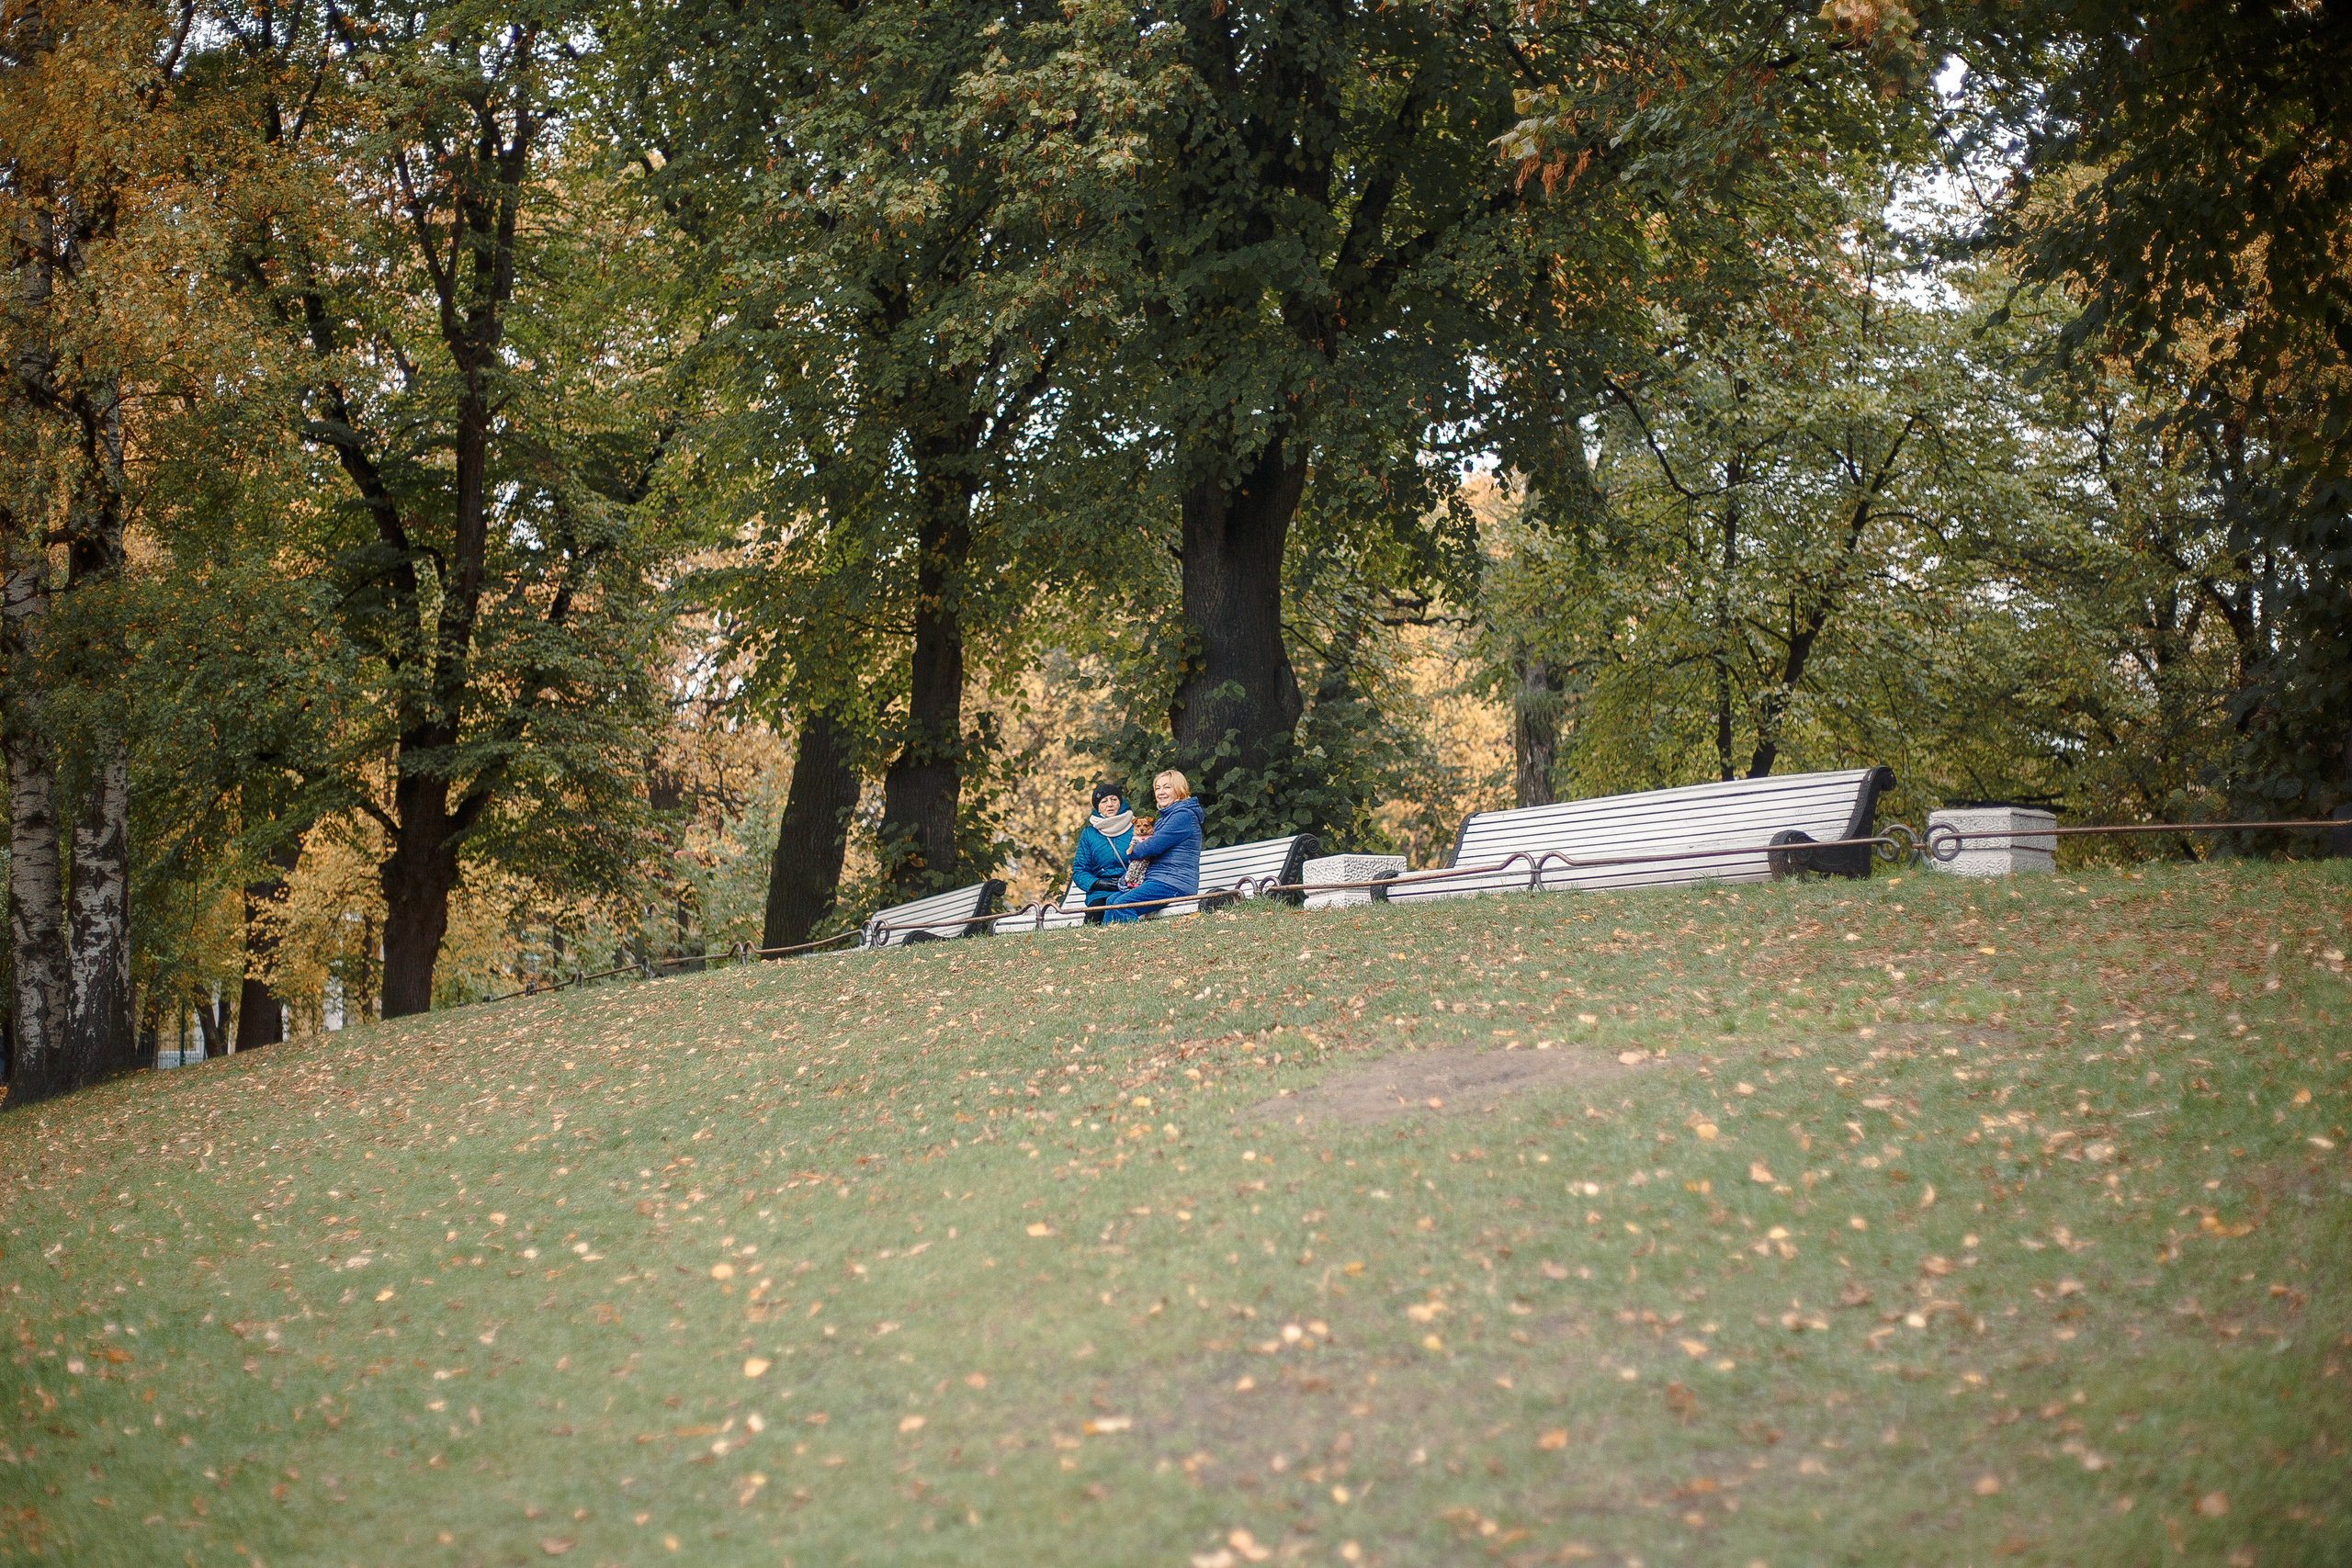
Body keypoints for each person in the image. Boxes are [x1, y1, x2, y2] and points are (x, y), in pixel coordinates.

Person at [1102, 770, 1201, 924]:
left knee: (1121, 905)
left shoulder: (1183, 816)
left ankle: (1134, 944)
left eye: (1166, 787)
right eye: (1157, 788)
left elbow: (1152, 847)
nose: (1161, 792)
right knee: (1111, 900)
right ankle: (1107, 944)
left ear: (1179, 789)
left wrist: (1133, 851)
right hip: (1159, 880)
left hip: (1174, 883)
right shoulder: (1165, 818)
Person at [1068, 782, 1136, 920]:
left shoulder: (1136, 826)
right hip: (1100, 892)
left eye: (1114, 799)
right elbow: (1080, 870)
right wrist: (1097, 883)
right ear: (1098, 808)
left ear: (1120, 802)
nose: (1110, 804)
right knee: (1095, 917)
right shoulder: (1089, 834)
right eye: (1104, 801)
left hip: (1132, 887)